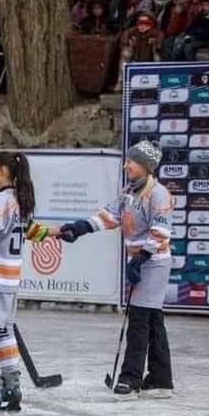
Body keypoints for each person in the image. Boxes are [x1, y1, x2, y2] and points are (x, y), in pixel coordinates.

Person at [59, 141, 173, 400]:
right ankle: (160, 379)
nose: (126, 165)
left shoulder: (158, 194)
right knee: (152, 319)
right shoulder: (128, 192)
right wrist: (80, 228)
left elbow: (161, 230)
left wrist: (141, 258)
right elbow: (108, 216)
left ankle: (130, 379)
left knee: (139, 320)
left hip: (154, 262)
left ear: (145, 166)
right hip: (142, 261)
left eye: (131, 162)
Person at [0, 152, 58, 416]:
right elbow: (27, 230)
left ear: (4, 170)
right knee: (4, 331)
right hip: (9, 278)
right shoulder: (20, 200)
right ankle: (12, 386)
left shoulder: (1, 200)